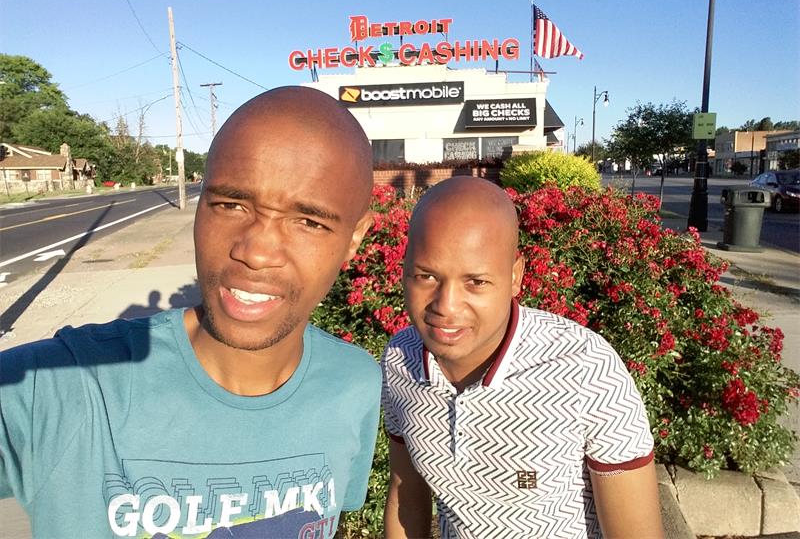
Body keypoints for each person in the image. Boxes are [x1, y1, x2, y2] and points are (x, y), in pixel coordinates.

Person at [0, 86, 381, 538]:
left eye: (309, 222)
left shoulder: (353, 381)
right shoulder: (61, 387)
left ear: (354, 239)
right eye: (231, 204)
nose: (256, 252)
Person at [381, 177, 663, 539]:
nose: (446, 306)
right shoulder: (400, 361)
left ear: (515, 276)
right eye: (426, 276)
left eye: (476, 282)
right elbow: (406, 496)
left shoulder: (587, 370)